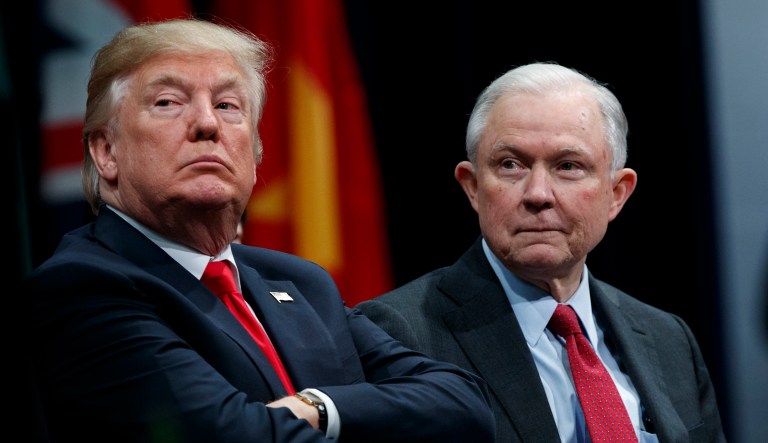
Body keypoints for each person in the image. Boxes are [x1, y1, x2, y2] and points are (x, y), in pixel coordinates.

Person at [23, 18, 495, 443]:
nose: (208, 123)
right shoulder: (83, 286)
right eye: (168, 102)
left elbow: (464, 404)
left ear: (256, 155)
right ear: (106, 152)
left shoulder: (299, 282)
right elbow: (233, 433)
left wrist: (317, 407)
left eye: (229, 105)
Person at [357, 62, 726, 442]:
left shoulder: (669, 339)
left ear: (616, 194)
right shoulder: (397, 334)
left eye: (568, 166)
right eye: (511, 165)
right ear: (473, 187)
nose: (538, 194)